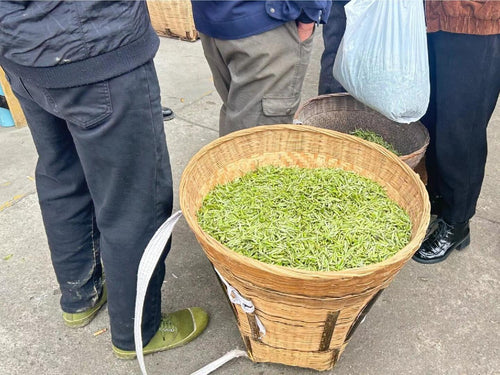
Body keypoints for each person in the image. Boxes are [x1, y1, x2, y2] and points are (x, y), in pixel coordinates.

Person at [0, 0, 208, 359]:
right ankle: (138, 333)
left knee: (62, 175)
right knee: (133, 201)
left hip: (22, 48)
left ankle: (80, 296)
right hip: (96, 49)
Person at [318, 0, 499, 264]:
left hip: (476, 21)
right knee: (431, 112)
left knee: (461, 123)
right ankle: (438, 196)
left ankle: (457, 221)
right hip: (431, 16)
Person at [191, 0, 332, 136]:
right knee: (260, 141)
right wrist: (308, 17)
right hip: (267, 23)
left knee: (238, 117)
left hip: (213, 16)